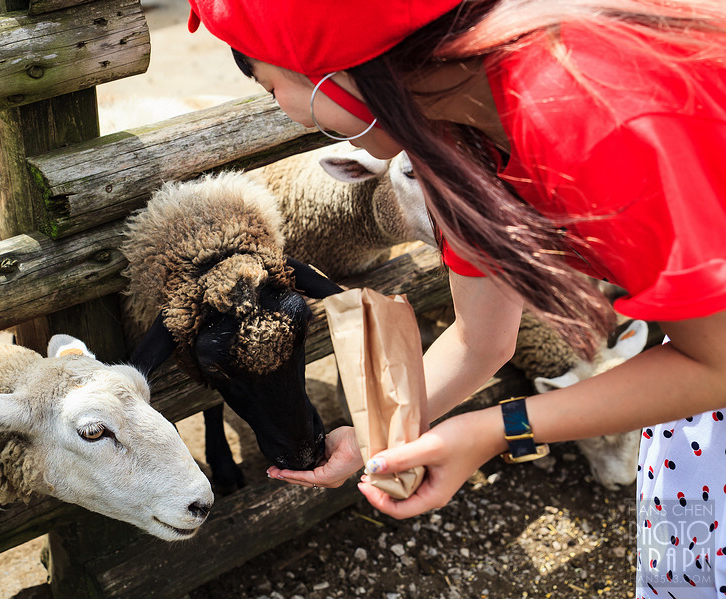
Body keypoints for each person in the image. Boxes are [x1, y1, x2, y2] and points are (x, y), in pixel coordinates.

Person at [187, 1, 726, 595]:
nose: (283, 111)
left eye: (271, 87)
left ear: (331, 70)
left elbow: (715, 365)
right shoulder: (458, 138)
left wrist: (497, 429)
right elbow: (479, 341)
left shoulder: (591, 113)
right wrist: (371, 435)